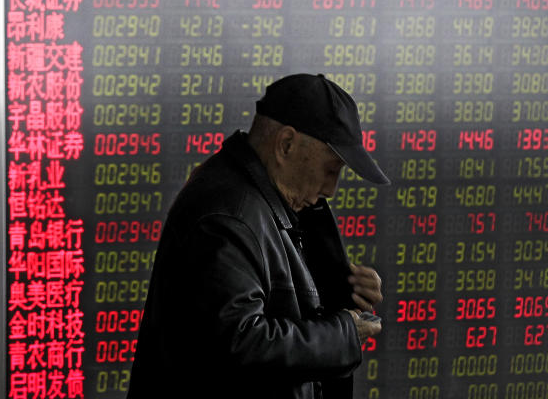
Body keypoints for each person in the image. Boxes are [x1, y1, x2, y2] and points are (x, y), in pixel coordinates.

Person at [127, 73, 389, 399]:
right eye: (331, 169)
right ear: (286, 145)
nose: (331, 189)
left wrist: (343, 294)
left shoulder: (261, 201)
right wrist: (343, 334)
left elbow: (279, 305)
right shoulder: (228, 215)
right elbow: (240, 343)